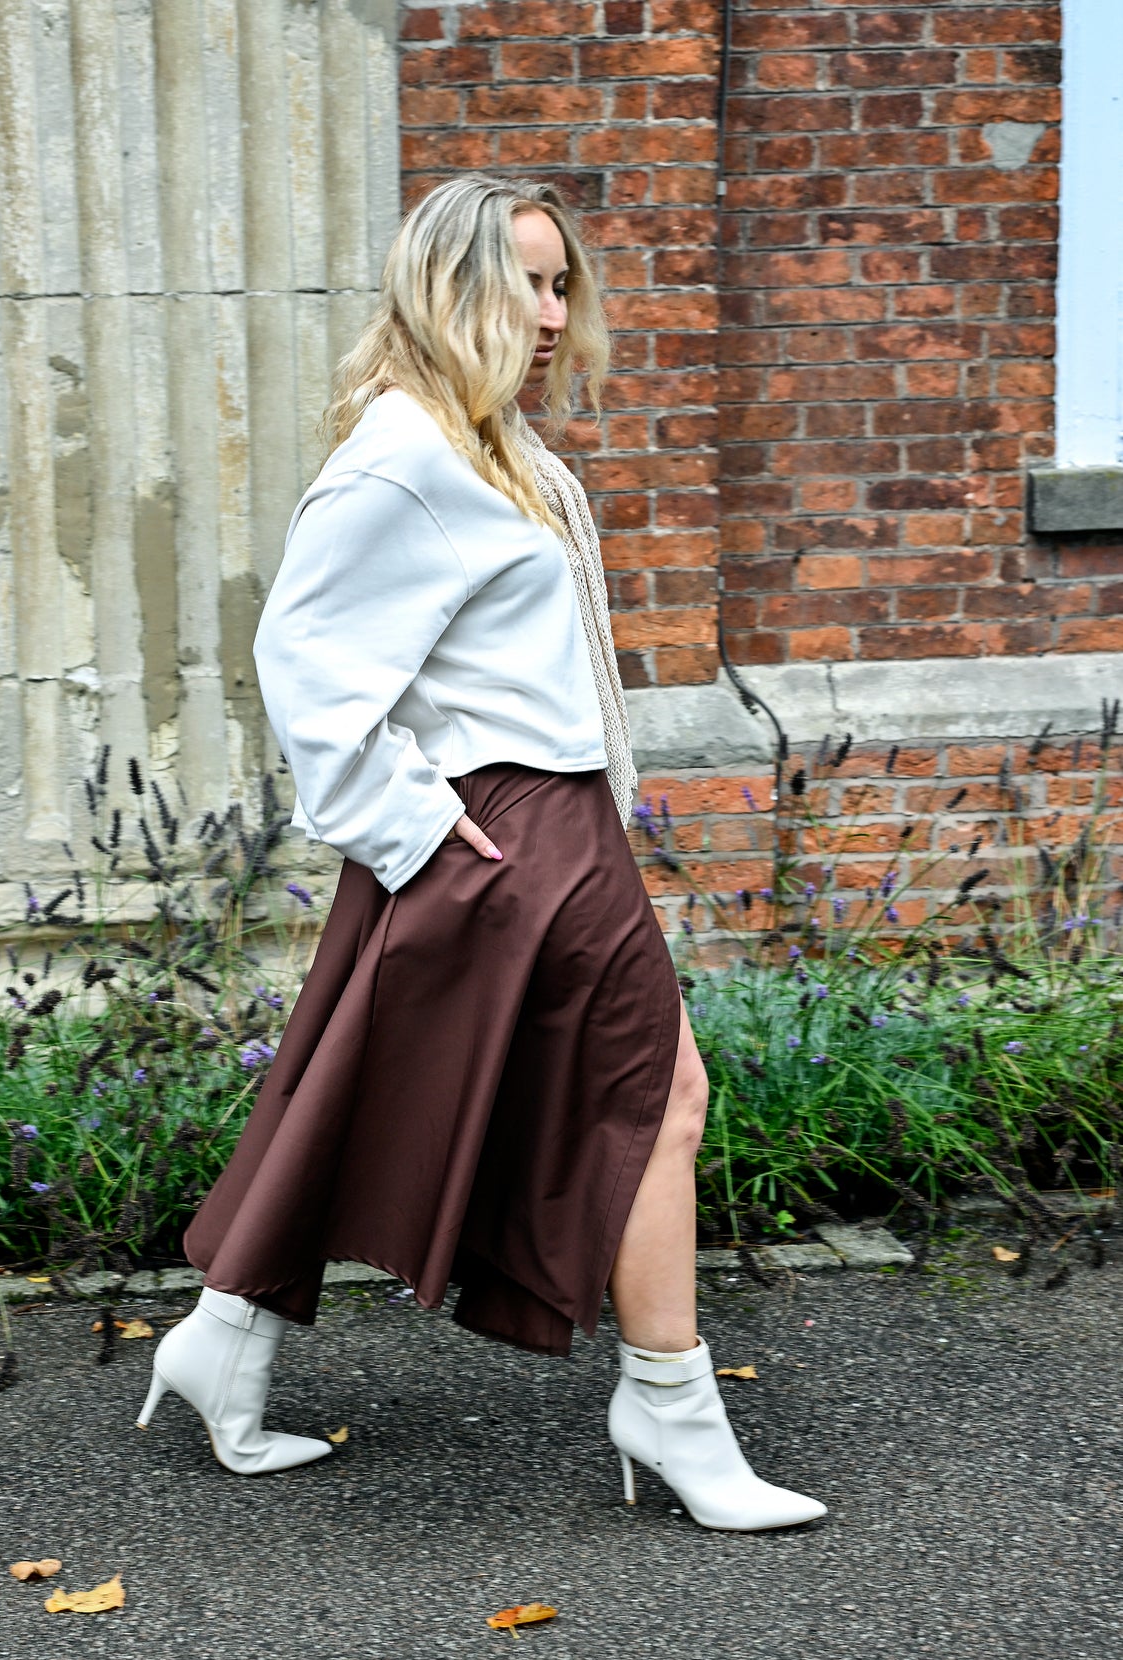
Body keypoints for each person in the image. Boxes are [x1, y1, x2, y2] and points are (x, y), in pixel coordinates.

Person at [137, 176, 825, 1533]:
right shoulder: (406, 456)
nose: (556, 312)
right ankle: (669, 1408)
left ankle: (221, 1340)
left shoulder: (491, 443)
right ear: (450, 287)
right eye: (528, 281)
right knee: (656, 1097)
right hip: (507, 824)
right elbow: (304, 659)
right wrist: (407, 826)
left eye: (564, 283)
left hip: (544, 819)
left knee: (366, 1074)